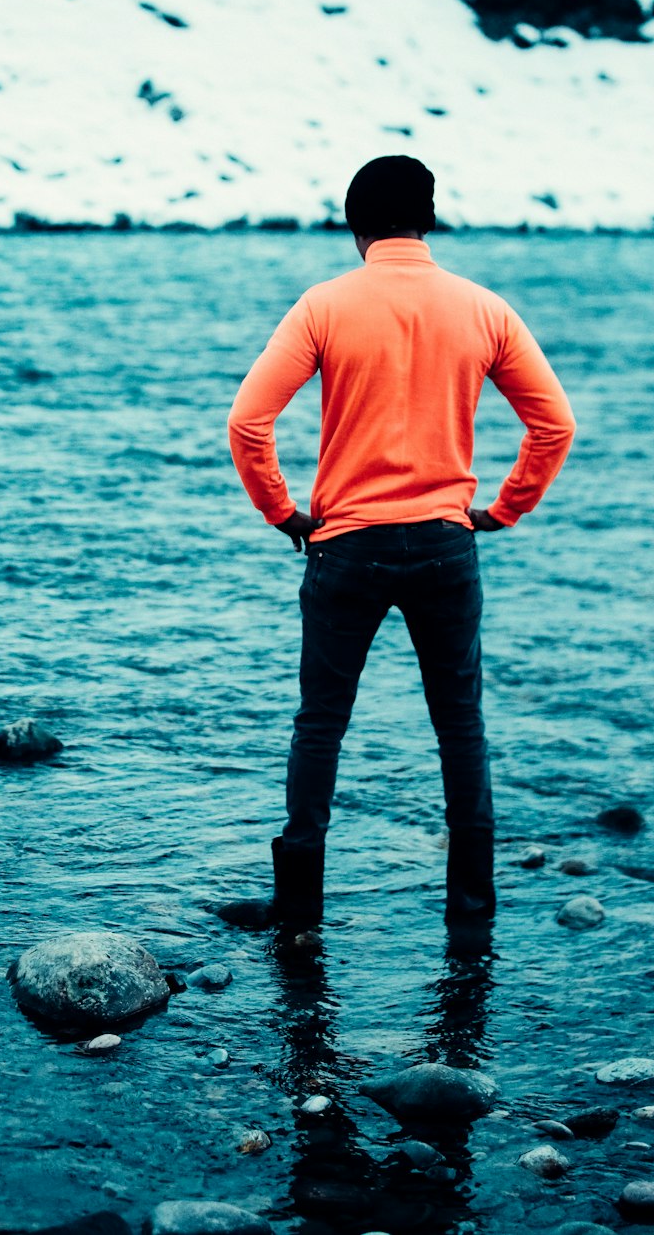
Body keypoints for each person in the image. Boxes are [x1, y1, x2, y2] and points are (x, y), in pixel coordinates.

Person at [223, 155, 576, 929]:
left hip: (345, 546)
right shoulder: (485, 309)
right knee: (461, 724)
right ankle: (472, 905)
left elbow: (248, 423)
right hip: (448, 546)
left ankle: (300, 905)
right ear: (429, 219)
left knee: (321, 722)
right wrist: (502, 511)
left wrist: (284, 515)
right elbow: (554, 425)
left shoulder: (323, 306)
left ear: (356, 226)